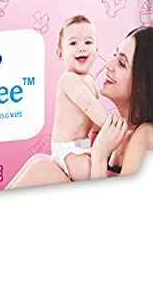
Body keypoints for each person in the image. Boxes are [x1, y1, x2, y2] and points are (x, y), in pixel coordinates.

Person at [6, 26, 153, 189]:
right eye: (114, 56)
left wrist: (99, 156)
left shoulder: (145, 135)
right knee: (40, 162)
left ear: (144, 82)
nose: (108, 65)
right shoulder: (121, 135)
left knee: (41, 168)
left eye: (122, 63)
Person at [51, 15, 108, 181]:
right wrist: (112, 126)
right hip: (66, 149)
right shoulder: (68, 80)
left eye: (88, 42)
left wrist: (99, 141)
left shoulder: (91, 83)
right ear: (60, 54)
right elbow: (89, 106)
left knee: (98, 162)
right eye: (73, 43)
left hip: (84, 146)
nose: (82, 48)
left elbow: (94, 124)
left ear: (96, 51)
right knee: (86, 171)